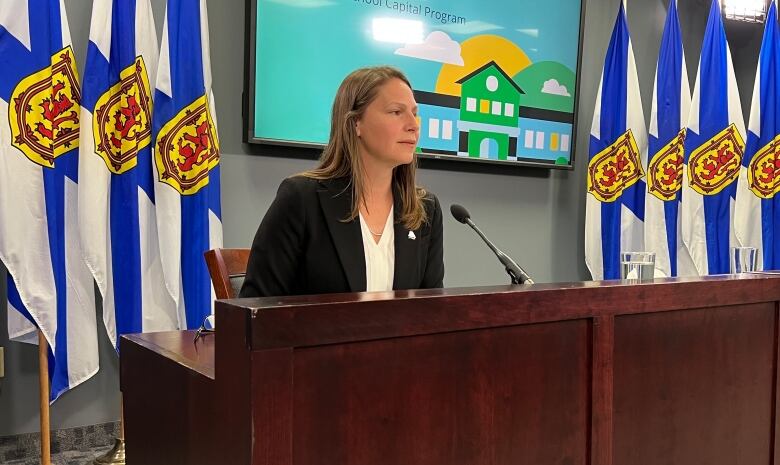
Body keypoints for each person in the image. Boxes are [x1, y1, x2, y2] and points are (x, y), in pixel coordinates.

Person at [239, 66, 444, 298]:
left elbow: (431, 314)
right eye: (396, 112)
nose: (413, 125)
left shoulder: (425, 209)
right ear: (356, 123)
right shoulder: (301, 199)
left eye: (414, 113)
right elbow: (254, 308)